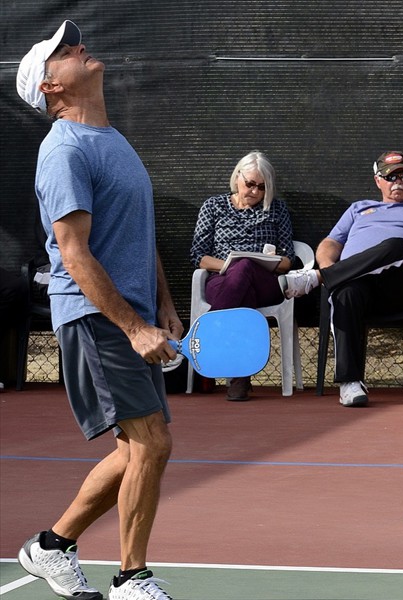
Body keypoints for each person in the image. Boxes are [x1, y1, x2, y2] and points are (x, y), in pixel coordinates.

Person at [16, 20, 180, 600]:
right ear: (50, 87)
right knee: (151, 443)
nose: (78, 48)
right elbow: (73, 251)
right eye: (62, 52)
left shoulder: (112, 140)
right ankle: (132, 578)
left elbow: (138, 232)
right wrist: (133, 327)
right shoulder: (63, 149)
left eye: (73, 42)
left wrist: (163, 302)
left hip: (132, 312)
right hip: (95, 316)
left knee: (137, 448)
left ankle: (52, 547)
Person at [282, 151, 403, 407]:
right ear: (378, 180)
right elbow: (330, 243)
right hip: (358, 285)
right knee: (345, 293)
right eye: (391, 176)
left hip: (399, 283)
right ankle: (350, 383)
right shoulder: (358, 208)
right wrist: (327, 262)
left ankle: (318, 278)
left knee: (397, 244)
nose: (398, 182)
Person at [190, 150, 299, 401]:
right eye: (250, 184)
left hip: (266, 282)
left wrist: (265, 262)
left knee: (247, 266)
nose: (255, 192)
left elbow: (288, 260)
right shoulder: (213, 206)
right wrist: (230, 266)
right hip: (222, 278)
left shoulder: (276, 209)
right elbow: (198, 256)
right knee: (242, 284)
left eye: (261, 187)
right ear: (237, 177)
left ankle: (211, 338)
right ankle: (240, 379)